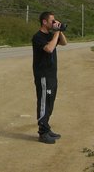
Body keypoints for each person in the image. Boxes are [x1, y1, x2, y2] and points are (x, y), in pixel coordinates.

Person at [32, 11, 67, 144]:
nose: (54, 23)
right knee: (44, 103)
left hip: (52, 74)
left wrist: (60, 31)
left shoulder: (51, 35)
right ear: (44, 22)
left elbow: (64, 43)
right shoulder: (38, 37)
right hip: (43, 75)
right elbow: (49, 49)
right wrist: (56, 32)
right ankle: (42, 132)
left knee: (50, 102)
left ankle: (47, 128)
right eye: (52, 21)